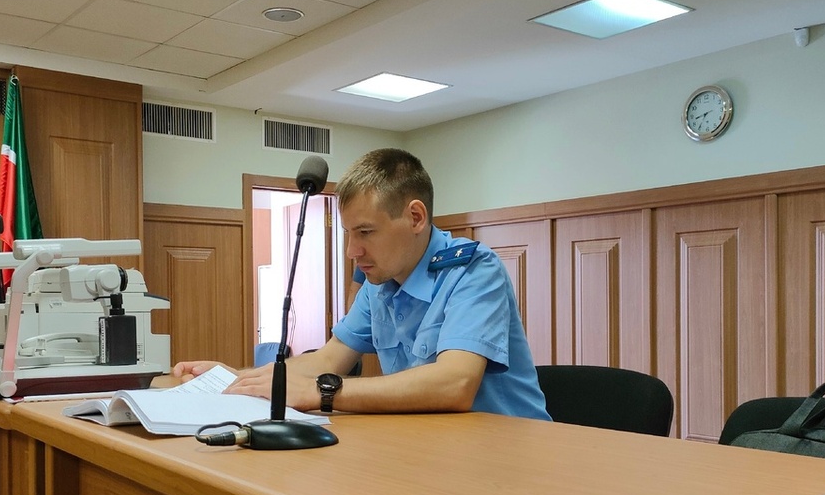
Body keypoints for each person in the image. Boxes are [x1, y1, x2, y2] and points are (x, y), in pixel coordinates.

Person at [173, 148, 550, 420]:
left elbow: (455, 383)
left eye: (366, 232)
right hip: (435, 450)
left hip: (510, 457)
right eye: (349, 234)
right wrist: (238, 378)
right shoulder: (379, 283)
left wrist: (322, 392)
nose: (353, 251)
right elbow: (328, 358)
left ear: (415, 217)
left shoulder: (473, 270)